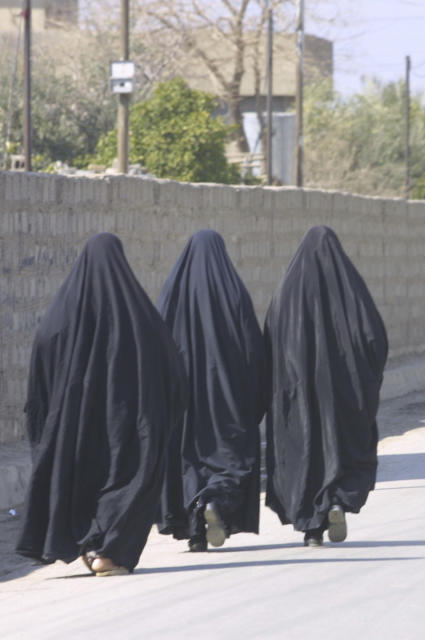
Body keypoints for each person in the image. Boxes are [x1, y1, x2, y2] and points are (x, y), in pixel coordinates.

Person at [16, 233, 187, 576]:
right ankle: (110, 551)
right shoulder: (141, 317)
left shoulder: (58, 319)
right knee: (128, 481)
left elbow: (41, 380)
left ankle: (90, 542)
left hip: (74, 431)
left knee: (79, 480)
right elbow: (173, 369)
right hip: (130, 427)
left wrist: (52, 428)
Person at [263, 226, 388, 547]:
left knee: (303, 453)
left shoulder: (286, 293)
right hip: (345, 394)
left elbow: (270, 341)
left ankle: (311, 528)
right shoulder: (351, 291)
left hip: (297, 392)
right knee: (344, 448)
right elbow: (375, 338)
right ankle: (336, 500)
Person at [155, 230, 265, 552]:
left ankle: (195, 533)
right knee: (227, 454)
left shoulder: (171, 293)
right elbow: (253, 350)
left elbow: (155, 345)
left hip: (181, 400)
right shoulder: (233, 293)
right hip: (225, 398)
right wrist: (254, 399)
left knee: (186, 460)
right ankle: (215, 497)